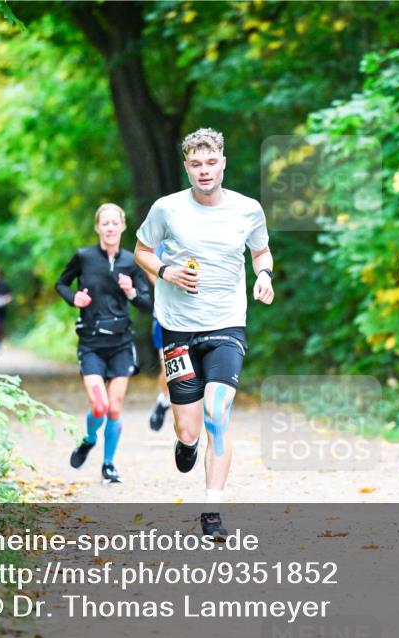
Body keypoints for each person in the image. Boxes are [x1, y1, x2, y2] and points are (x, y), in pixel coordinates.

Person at [134, 127, 274, 539]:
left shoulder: (248, 209)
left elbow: (261, 250)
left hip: (227, 324)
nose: (204, 170)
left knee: (218, 413)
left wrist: (263, 275)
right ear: (186, 167)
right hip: (178, 328)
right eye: (196, 164)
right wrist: (166, 271)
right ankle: (186, 444)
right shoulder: (167, 209)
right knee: (189, 429)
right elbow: (141, 250)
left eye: (211, 162)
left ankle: (212, 512)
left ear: (223, 163)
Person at [56, 203, 152, 485]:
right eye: (105, 223)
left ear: (123, 226)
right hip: (91, 343)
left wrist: (131, 291)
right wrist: (73, 298)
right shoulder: (83, 257)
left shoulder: (131, 262)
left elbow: (147, 304)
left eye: (115, 223)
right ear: (98, 227)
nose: (110, 228)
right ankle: (88, 440)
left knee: (114, 408)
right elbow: (61, 284)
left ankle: (109, 465)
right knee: (99, 406)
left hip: (122, 343)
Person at [147, 245, 171, 432]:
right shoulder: (162, 234)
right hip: (165, 314)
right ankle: (164, 400)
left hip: (197, 315)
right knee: (168, 368)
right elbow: (149, 267)